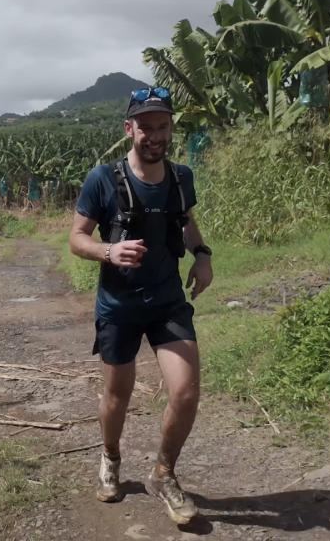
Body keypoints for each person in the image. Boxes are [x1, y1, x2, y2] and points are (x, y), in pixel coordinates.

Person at [69, 86, 213, 524]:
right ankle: (111, 458)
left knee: (186, 391)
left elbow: (186, 221)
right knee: (118, 395)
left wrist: (202, 255)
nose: (155, 135)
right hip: (119, 304)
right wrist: (108, 252)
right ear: (129, 129)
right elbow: (76, 239)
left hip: (167, 301)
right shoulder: (103, 179)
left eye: (162, 127)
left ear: (171, 129)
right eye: (146, 127)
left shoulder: (181, 176)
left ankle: (163, 474)